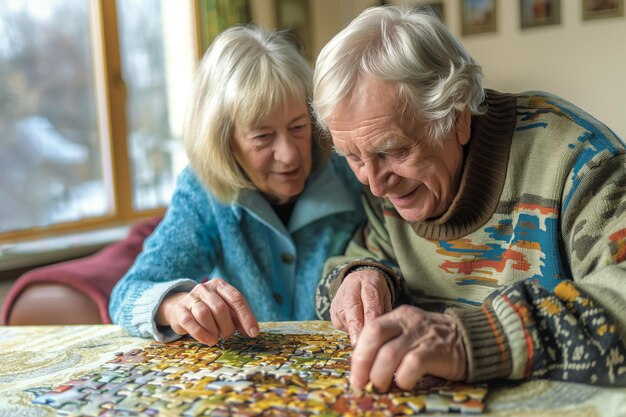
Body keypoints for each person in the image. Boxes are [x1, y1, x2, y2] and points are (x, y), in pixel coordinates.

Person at [312, 5, 626, 390]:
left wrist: (475, 339)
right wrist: (361, 276)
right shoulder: (388, 185)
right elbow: (350, 261)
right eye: (353, 158)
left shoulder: (578, 159)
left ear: (458, 116)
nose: (376, 185)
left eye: (392, 151)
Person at [109, 25, 364, 345]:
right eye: (262, 137)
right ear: (225, 142)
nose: (289, 155)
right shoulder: (203, 191)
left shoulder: (353, 170)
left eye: (299, 127)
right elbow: (127, 295)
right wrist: (175, 305)